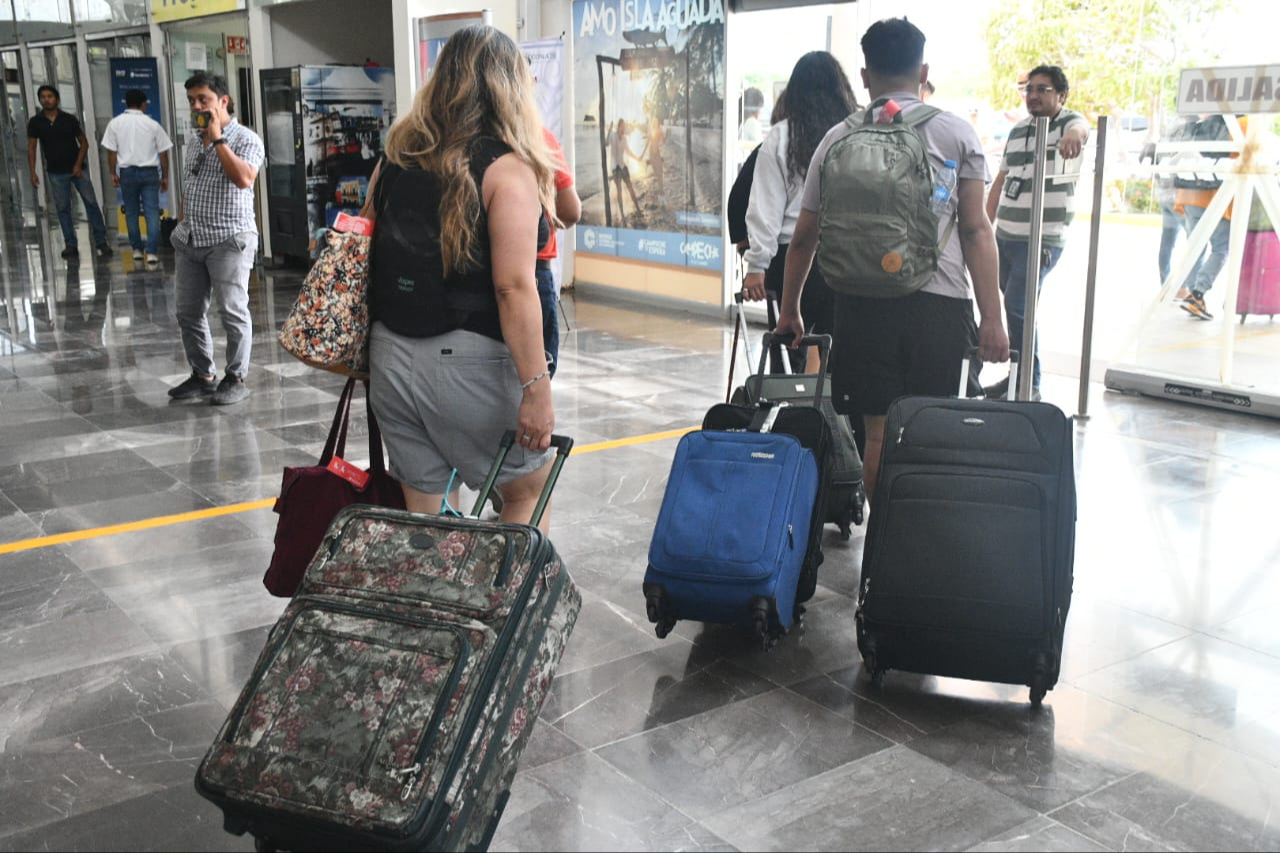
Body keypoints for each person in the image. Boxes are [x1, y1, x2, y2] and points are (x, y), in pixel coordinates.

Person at [773, 17, 1010, 501]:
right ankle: (915, 547)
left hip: (860, 303)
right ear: (922, 71)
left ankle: (877, 558)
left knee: (877, 435)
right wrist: (992, 319)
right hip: (937, 305)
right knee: (926, 431)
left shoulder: (837, 138)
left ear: (865, 75)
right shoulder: (957, 134)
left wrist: (791, 309)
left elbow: (804, 237)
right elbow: (975, 230)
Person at [363, 25, 560, 530]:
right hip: (466, 360)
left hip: (389, 355)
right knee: (526, 491)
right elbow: (513, 286)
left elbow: (361, 244)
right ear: (510, 87)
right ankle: (501, 606)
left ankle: (431, 602)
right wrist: (536, 387)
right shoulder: (506, 171)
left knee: (424, 510)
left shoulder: (394, 157)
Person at [742, 51, 858, 374]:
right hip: (843, 255)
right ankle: (835, 422)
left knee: (787, 351)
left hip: (788, 257)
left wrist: (757, 265)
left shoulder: (781, 136)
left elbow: (765, 206)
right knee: (840, 355)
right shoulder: (851, 134)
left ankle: (788, 417)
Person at [985, 64, 1089, 400]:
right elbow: (1001, 180)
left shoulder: (1066, 124)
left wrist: (1074, 135)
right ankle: (1019, 378)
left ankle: (1029, 382)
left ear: (1061, 95)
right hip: (1007, 236)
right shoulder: (1018, 131)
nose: (1033, 96)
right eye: (1029, 89)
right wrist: (985, 226)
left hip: (1042, 237)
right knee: (1016, 308)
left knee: (1018, 307)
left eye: (1042, 90)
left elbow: (1081, 127)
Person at [166, 72, 264, 406]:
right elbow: (190, 184)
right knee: (188, 312)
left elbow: (243, 179)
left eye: (203, 100)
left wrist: (218, 138)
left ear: (223, 101)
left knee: (232, 311)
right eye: (192, 100)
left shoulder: (246, 139)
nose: (196, 106)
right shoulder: (194, 138)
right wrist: (182, 219)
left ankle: (236, 377)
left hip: (228, 239)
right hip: (191, 239)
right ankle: (202, 376)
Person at [26, 85, 112, 260]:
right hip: (56, 172)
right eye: (42, 97)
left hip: (78, 170)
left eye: (49, 96)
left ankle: (101, 241)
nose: (46, 99)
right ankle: (70, 244)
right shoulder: (36, 122)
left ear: (56, 99)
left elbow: (84, 143)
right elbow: (32, 147)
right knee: (63, 208)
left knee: (91, 203)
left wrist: (78, 165)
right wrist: (32, 172)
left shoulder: (68, 119)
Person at [1174, 114, 1243, 320]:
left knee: (1195, 246)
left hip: (1189, 192)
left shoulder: (1201, 124)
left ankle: (1192, 295)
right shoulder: (1241, 124)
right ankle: (1197, 294)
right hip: (1216, 195)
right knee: (1221, 248)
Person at [101, 88, 172, 268]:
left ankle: (137, 250)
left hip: (127, 173)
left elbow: (112, 152)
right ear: (142, 104)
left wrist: (112, 172)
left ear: (126, 103)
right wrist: (165, 177)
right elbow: (163, 154)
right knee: (151, 212)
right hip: (149, 173)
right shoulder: (153, 125)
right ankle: (152, 252)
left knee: (131, 212)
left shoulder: (115, 124)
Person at [537, 128, 581, 378]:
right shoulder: (537, 137)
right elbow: (571, 211)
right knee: (539, 374)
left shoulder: (458, 135)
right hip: (533, 267)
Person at [607, 119, 642, 227]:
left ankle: (638, 210)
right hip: (615, 167)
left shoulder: (625, 139)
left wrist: (637, 158)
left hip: (623, 166)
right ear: (618, 126)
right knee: (619, 192)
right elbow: (605, 144)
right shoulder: (612, 135)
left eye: (625, 126)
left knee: (631, 188)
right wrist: (608, 130)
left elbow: (628, 151)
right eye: (622, 126)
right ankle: (622, 215)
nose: (624, 128)